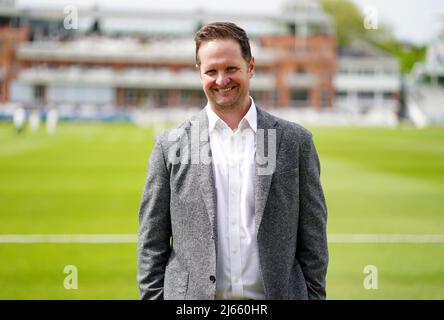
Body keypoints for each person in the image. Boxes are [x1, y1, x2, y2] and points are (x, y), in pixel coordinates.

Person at [137, 22, 328, 300]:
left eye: (231, 69)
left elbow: (314, 241)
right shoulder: (169, 147)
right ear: (199, 73)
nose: (221, 80)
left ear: (250, 67)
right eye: (211, 71)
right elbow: (151, 244)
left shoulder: (295, 142)